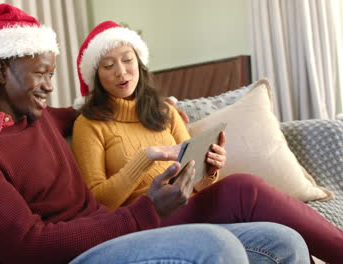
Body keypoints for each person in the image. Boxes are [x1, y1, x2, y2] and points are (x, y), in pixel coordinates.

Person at [0, 4, 310, 264]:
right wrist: (145, 211)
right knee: (216, 248)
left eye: (51, 74)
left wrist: (162, 107)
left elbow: (94, 112)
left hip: (113, 236)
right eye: (40, 73)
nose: (49, 87)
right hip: (70, 257)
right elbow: (27, 247)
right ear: (3, 70)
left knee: (284, 242)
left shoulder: (36, 118)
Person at [72, 20, 343, 263]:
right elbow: (98, 201)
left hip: (183, 207)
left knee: (279, 233)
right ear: (96, 75)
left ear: (139, 63)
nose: (121, 71)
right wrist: (146, 157)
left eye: (127, 60)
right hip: (141, 220)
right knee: (242, 188)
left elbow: (193, 181)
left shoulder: (164, 112)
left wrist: (210, 170)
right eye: (108, 65)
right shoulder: (89, 125)